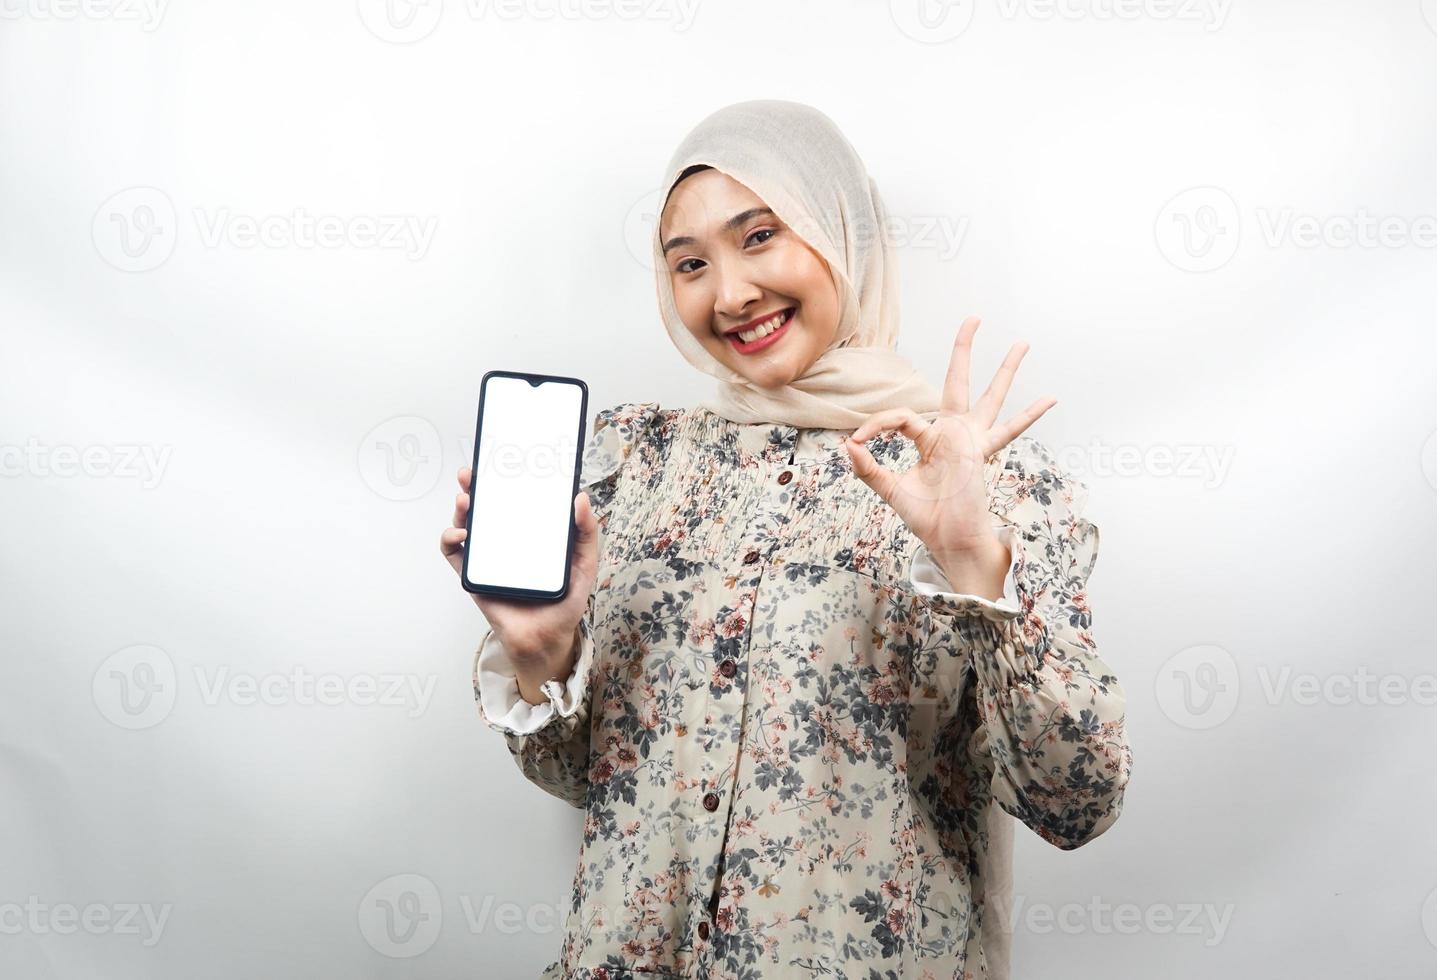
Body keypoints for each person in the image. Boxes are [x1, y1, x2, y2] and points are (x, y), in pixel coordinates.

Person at [440, 99, 1132, 980]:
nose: (730, 295)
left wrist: (971, 560)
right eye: (690, 263)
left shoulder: (979, 477)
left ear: (842, 232)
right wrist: (542, 654)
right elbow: (592, 787)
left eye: (760, 236)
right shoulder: (636, 467)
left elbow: (1076, 803)